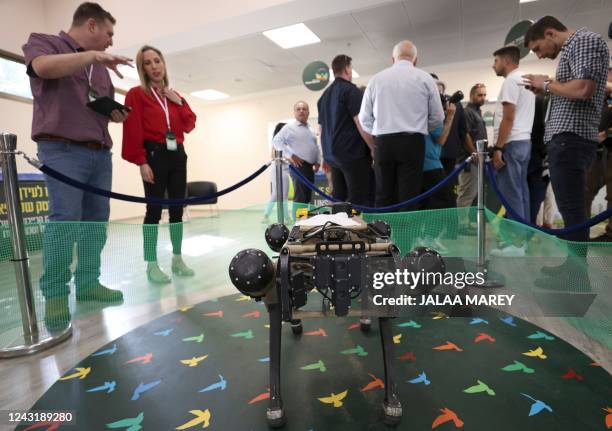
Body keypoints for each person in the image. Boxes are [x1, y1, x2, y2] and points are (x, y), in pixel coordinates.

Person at [22, 2, 131, 329]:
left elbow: (94, 107)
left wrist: (114, 114)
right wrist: (91, 56)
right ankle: (55, 293)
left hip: (99, 152)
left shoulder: (101, 69)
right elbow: (42, 68)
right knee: (64, 221)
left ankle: (87, 283)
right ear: (92, 25)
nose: (111, 42)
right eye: (109, 33)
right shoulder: (44, 42)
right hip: (62, 150)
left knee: (96, 222)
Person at [523, 16, 609, 285]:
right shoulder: (575, 48)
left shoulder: (584, 41)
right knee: (571, 207)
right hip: (567, 139)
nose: (538, 55)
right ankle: (572, 268)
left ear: (550, 33)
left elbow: (584, 88)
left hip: (571, 139)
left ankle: (575, 275)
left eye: (537, 48)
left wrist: (546, 85)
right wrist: (549, 85)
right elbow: (581, 87)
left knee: (572, 209)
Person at [122, 45, 197, 284]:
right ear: (142, 68)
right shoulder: (136, 94)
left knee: (177, 210)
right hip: (154, 155)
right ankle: (151, 264)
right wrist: (141, 162)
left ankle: (177, 259)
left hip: (177, 155)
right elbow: (133, 129)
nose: (154, 66)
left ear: (164, 64)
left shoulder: (174, 96)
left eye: (157, 61)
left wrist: (179, 102)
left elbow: (189, 124)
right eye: (148, 63)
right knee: (153, 212)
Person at [359, 40, 444, 210]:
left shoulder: (376, 80)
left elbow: (364, 119)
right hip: (413, 142)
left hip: (383, 143)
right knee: (409, 196)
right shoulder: (425, 78)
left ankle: (382, 235)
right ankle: (407, 237)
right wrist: (421, 127)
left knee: (383, 195)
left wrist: (377, 131)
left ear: (393, 59)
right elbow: (437, 117)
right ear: (415, 60)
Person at [490, 45, 535, 257]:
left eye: (496, 61)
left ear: (507, 60)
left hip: (511, 143)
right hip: (524, 142)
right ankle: (522, 242)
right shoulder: (525, 79)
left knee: (512, 194)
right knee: (522, 193)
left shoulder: (511, 81)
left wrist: (498, 147)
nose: (493, 65)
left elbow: (508, 117)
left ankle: (516, 245)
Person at [317, 54, 374, 206]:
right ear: (347, 69)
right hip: (352, 154)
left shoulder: (323, 97)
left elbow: (321, 131)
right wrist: (373, 148)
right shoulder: (351, 91)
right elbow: (359, 122)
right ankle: (357, 230)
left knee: (339, 197)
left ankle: (337, 229)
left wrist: (325, 157)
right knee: (358, 197)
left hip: (333, 157)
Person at [272, 101, 321, 209]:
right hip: (299, 167)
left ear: (308, 112)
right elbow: (276, 141)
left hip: (310, 168)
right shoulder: (289, 128)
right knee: (301, 197)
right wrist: (290, 155)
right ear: (294, 113)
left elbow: (315, 146)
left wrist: (318, 161)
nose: (301, 111)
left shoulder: (310, 129)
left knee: (307, 197)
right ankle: (298, 224)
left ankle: (304, 222)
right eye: (298, 109)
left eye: (304, 109)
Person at [585, 66, 612, 242]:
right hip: (597, 154)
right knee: (584, 191)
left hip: (609, 149)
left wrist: (606, 134)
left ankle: (610, 235)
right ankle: (579, 233)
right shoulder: (599, 100)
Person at [459, 83, 487, 235]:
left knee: (472, 192)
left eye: (484, 95)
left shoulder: (477, 112)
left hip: (477, 159)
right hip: (470, 159)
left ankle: (465, 222)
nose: (482, 97)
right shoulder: (467, 112)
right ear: (471, 96)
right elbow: (466, 134)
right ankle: (461, 225)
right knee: (466, 193)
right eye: (479, 95)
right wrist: (474, 153)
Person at [263, 122, 290, 224]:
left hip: (283, 170)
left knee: (281, 195)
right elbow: (273, 156)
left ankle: (284, 217)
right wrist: (288, 158)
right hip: (278, 170)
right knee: (278, 195)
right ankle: (269, 216)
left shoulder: (285, 141)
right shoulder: (277, 141)